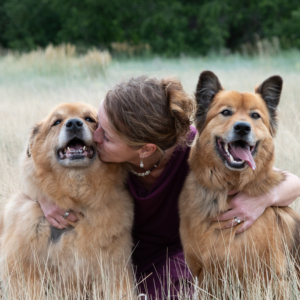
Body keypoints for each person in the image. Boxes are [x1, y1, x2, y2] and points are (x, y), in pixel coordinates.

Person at [38, 75, 300, 299]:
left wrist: (263, 199)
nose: (94, 137)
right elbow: (40, 169)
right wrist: (43, 197)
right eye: (97, 123)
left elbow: (292, 182)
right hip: (121, 258)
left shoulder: (201, 152)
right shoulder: (103, 159)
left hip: (179, 260)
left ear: (145, 150)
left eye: (105, 135)